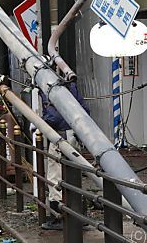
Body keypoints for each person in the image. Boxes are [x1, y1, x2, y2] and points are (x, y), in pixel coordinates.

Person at [39, 81, 89, 230]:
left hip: (59, 137)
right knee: (73, 174)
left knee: (55, 176)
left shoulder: (50, 89)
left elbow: (54, 117)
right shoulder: (72, 86)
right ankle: (79, 213)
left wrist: (43, 119)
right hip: (75, 134)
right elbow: (86, 109)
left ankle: (60, 216)